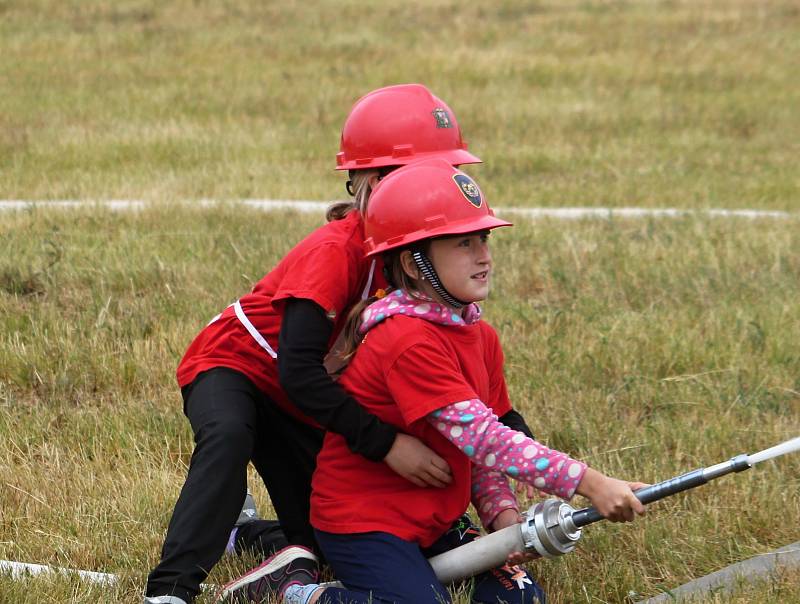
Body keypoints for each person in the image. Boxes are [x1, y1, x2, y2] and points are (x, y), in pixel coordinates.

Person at [144, 84, 536, 604]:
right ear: (372, 182)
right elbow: (298, 370)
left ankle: (247, 536)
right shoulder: (336, 251)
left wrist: (526, 451)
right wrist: (387, 444)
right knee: (229, 437)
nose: (443, 188)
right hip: (238, 367)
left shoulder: (416, 258)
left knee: (335, 538)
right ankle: (169, 591)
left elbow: (461, 392)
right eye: (426, 174)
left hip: (309, 394)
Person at [219, 159, 648, 604]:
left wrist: (502, 517)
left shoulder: (479, 335)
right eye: (464, 243)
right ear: (413, 262)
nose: (484, 255)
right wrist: (592, 483)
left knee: (520, 599)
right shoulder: (406, 340)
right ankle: (292, 590)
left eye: (483, 238)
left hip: (435, 519)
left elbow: (479, 455)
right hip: (364, 523)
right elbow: (485, 439)